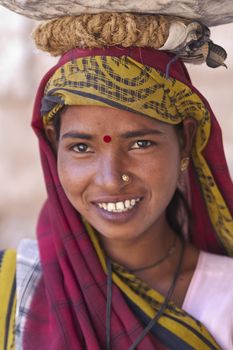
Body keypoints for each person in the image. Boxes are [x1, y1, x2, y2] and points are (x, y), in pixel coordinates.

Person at [1, 13, 233, 350]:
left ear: (185, 140)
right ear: (53, 146)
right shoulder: (16, 288)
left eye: (140, 144)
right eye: (81, 147)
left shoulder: (226, 297)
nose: (111, 180)